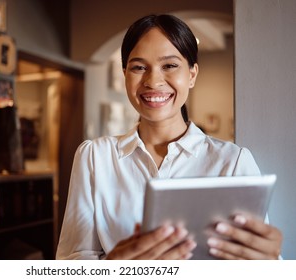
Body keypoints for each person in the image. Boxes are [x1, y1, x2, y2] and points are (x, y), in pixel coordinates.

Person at [56, 14, 282, 260]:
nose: (153, 81)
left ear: (192, 74)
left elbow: (254, 262)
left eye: (170, 65)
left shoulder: (232, 161)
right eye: (139, 67)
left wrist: (271, 265)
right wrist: (113, 267)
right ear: (125, 74)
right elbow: (71, 261)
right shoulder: (94, 157)